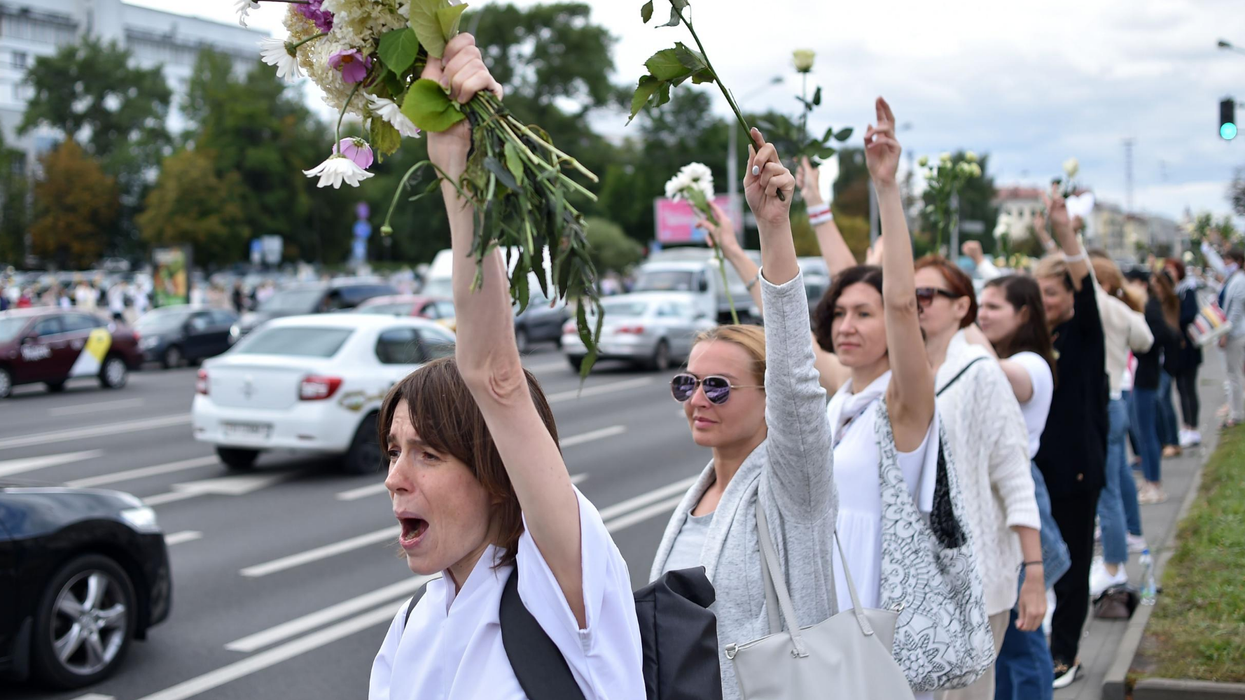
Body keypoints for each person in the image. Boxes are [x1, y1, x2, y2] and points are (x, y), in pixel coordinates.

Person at [368, 34, 644, 700]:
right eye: (393, 451)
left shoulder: (561, 587)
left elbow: (495, 376)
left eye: (428, 454)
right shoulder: (410, 628)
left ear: (495, 474)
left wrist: (458, 166)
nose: (393, 479)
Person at [650, 127, 837, 700]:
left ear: (767, 398)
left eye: (718, 386)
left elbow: (797, 379)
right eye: (688, 383)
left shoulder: (793, 487)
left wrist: (774, 229)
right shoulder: (700, 493)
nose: (697, 399)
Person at [814, 99, 947, 700]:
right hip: (823, 603)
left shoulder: (905, 403)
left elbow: (898, 301)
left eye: (862, 314)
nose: (847, 323)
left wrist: (886, 188)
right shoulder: (839, 394)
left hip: (880, 607)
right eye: (839, 313)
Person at [908, 256, 1042, 700]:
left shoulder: (980, 372)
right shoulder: (896, 374)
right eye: (909, 295)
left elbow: (1014, 477)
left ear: (961, 306)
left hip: (976, 577)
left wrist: (1034, 573)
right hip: (910, 577)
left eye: (926, 295)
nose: (915, 303)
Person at [972, 274, 1066, 700]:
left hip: (1018, 498)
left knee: (1021, 634)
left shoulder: (1033, 365)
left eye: (992, 307)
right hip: (986, 501)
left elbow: (994, 374)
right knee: (1000, 633)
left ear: (1024, 313)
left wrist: (954, 318)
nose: (981, 314)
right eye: (978, 304)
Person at [1031, 185, 1107, 689]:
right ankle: (1035, 644)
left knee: (1073, 567)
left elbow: (1087, 290)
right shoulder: (1032, 339)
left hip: (1077, 470)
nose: (1044, 301)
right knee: (1036, 563)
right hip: (1036, 471)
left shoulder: (1084, 332)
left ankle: (1066, 652)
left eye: (1052, 293)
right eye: (1038, 294)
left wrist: (1064, 235)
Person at [1122, 268, 1179, 506]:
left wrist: (1144, 344)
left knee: (1147, 433)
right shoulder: (1145, 307)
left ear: (1140, 284)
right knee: (1141, 430)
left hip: (1145, 376)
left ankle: (1153, 483)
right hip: (1140, 376)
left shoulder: (1150, 307)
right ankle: (1149, 481)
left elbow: (1166, 335)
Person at [1165, 258, 1203, 447]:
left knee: (1189, 388)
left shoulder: (1187, 289)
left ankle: (1194, 428)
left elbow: (1189, 315)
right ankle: (1186, 426)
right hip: (1176, 349)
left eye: (1172, 270)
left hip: (1188, 346)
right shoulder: (1171, 291)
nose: (1169, 273)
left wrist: (1173, 323)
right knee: (1180, 388)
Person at [1149, 269, 1183, 458]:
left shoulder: (1171, 303)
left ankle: (1173, 441)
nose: (1155, 288)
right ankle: (1164, 440)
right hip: (1157, 361)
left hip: (1168, 360)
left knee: (1163, 400)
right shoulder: (1153, 304)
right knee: (1158, 401)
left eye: (1158, 284)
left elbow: (1172, 332)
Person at [1216, 248, 1245, 428]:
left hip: (1236, 334)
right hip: (1235, 332)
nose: (1225, 264)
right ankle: (1235, 410)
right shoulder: (1233, 279)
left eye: (1228, 260)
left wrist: (1226, 333)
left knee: (1233, 375)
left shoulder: (1240, 280)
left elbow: (1235, 311)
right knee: (1234, 374)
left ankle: (1236, 414)